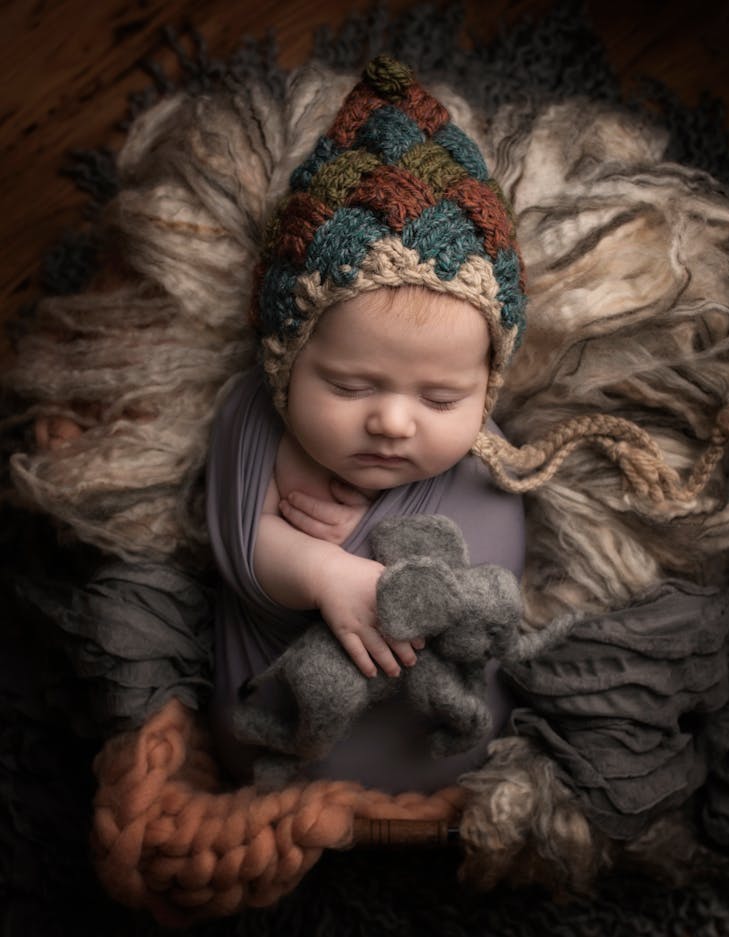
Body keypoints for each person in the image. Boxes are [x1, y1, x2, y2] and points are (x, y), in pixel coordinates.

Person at [206, 54, 528, 791]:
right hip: (277, 736)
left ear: (487, 387)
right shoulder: (255, 423)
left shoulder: (486, 464)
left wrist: (375, 543)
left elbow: (487, 594)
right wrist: (326, 569)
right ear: (286, 361)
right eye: (351, 385)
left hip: (444, 743)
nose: (391, 421)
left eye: (441, 399)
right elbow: (234, 543)